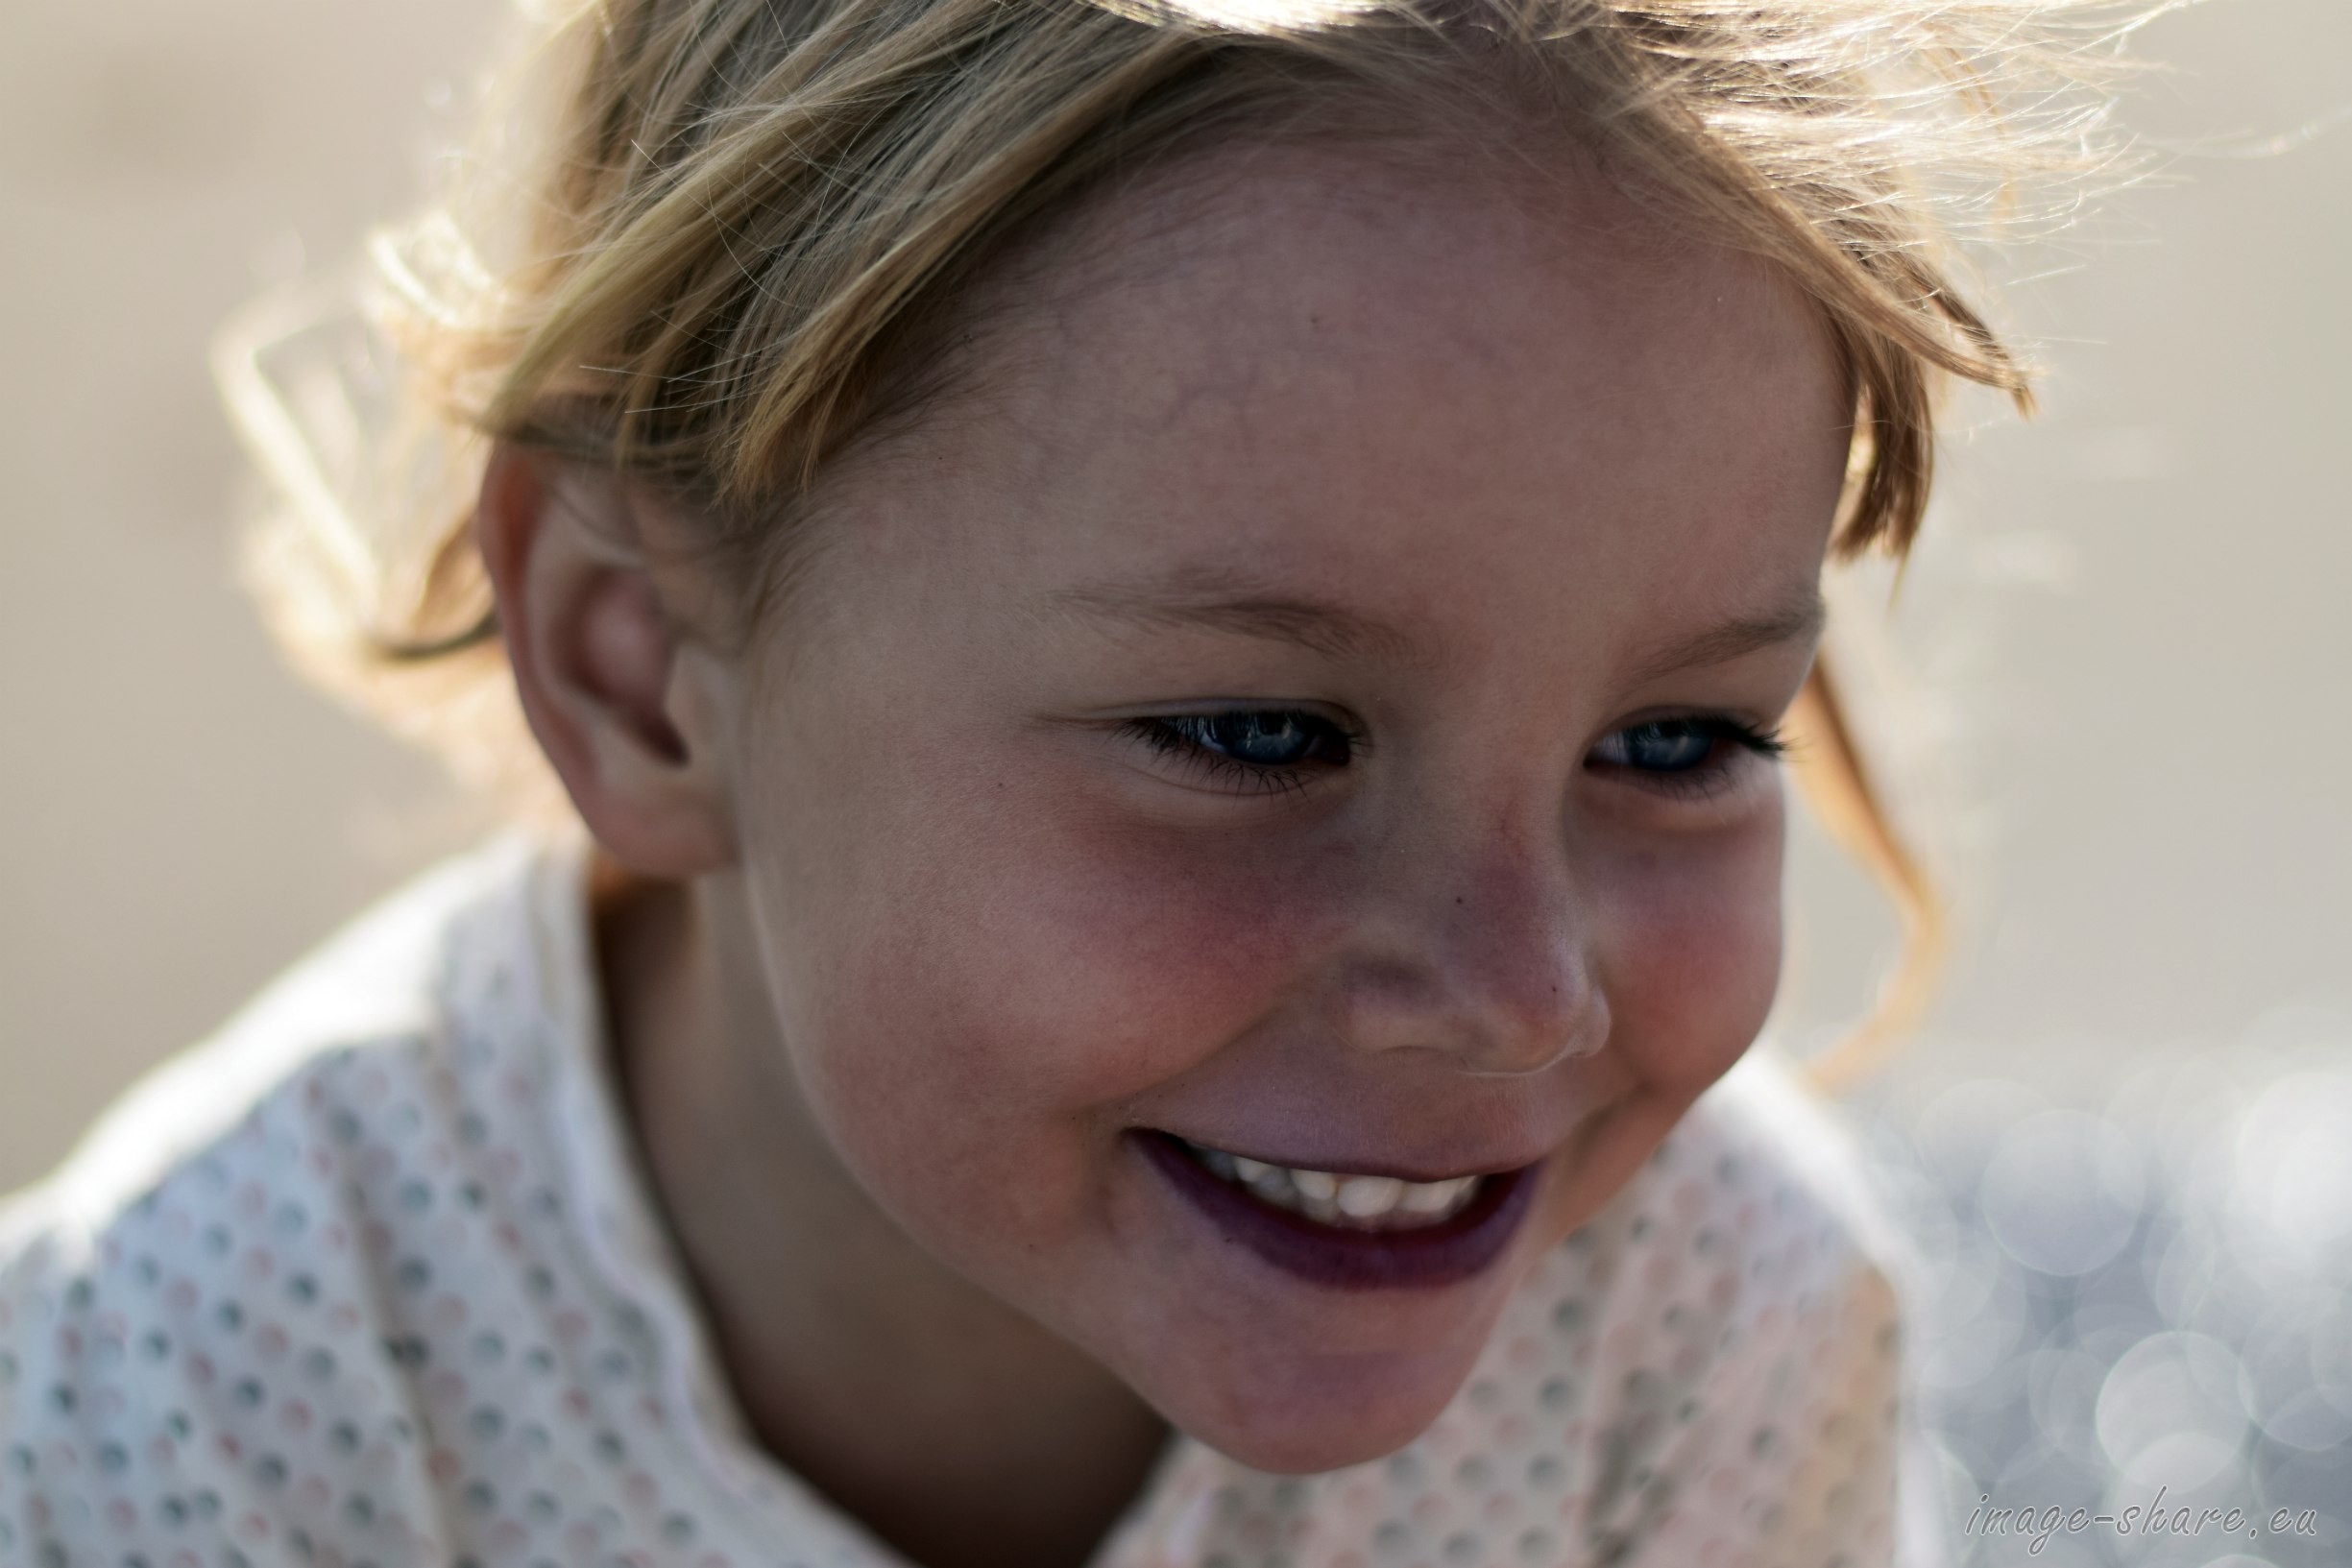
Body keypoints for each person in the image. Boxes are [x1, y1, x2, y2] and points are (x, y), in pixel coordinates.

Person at [0, 1, 2136, 1563]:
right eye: (1257, 737)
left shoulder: (1711, 1340)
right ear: (641, 669)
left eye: (1674, 743)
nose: (1517, 995)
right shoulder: (190, 1399)